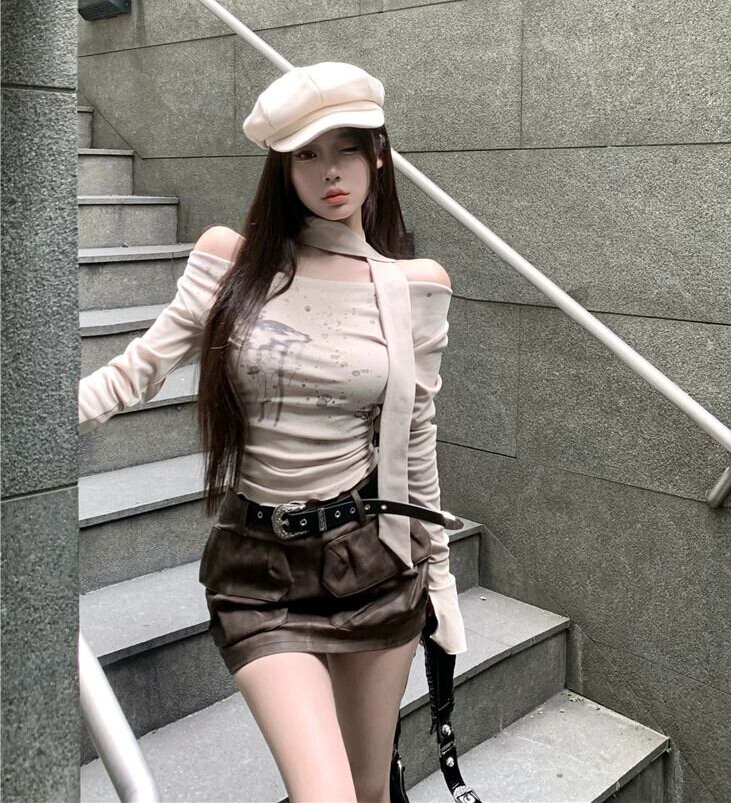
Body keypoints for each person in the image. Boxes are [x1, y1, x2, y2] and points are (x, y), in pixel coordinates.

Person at [78, 61, 468, 803]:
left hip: (373, 561)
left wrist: (441, 587)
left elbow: (416, 438)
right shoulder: (231, 263)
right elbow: (136, 371)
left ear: (379, 156)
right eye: (307, 154)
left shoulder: (414, 285)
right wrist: (38, 423)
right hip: (261, 572)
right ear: (283, 169)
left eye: (348, 148)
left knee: (369, 789)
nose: (331, 172)